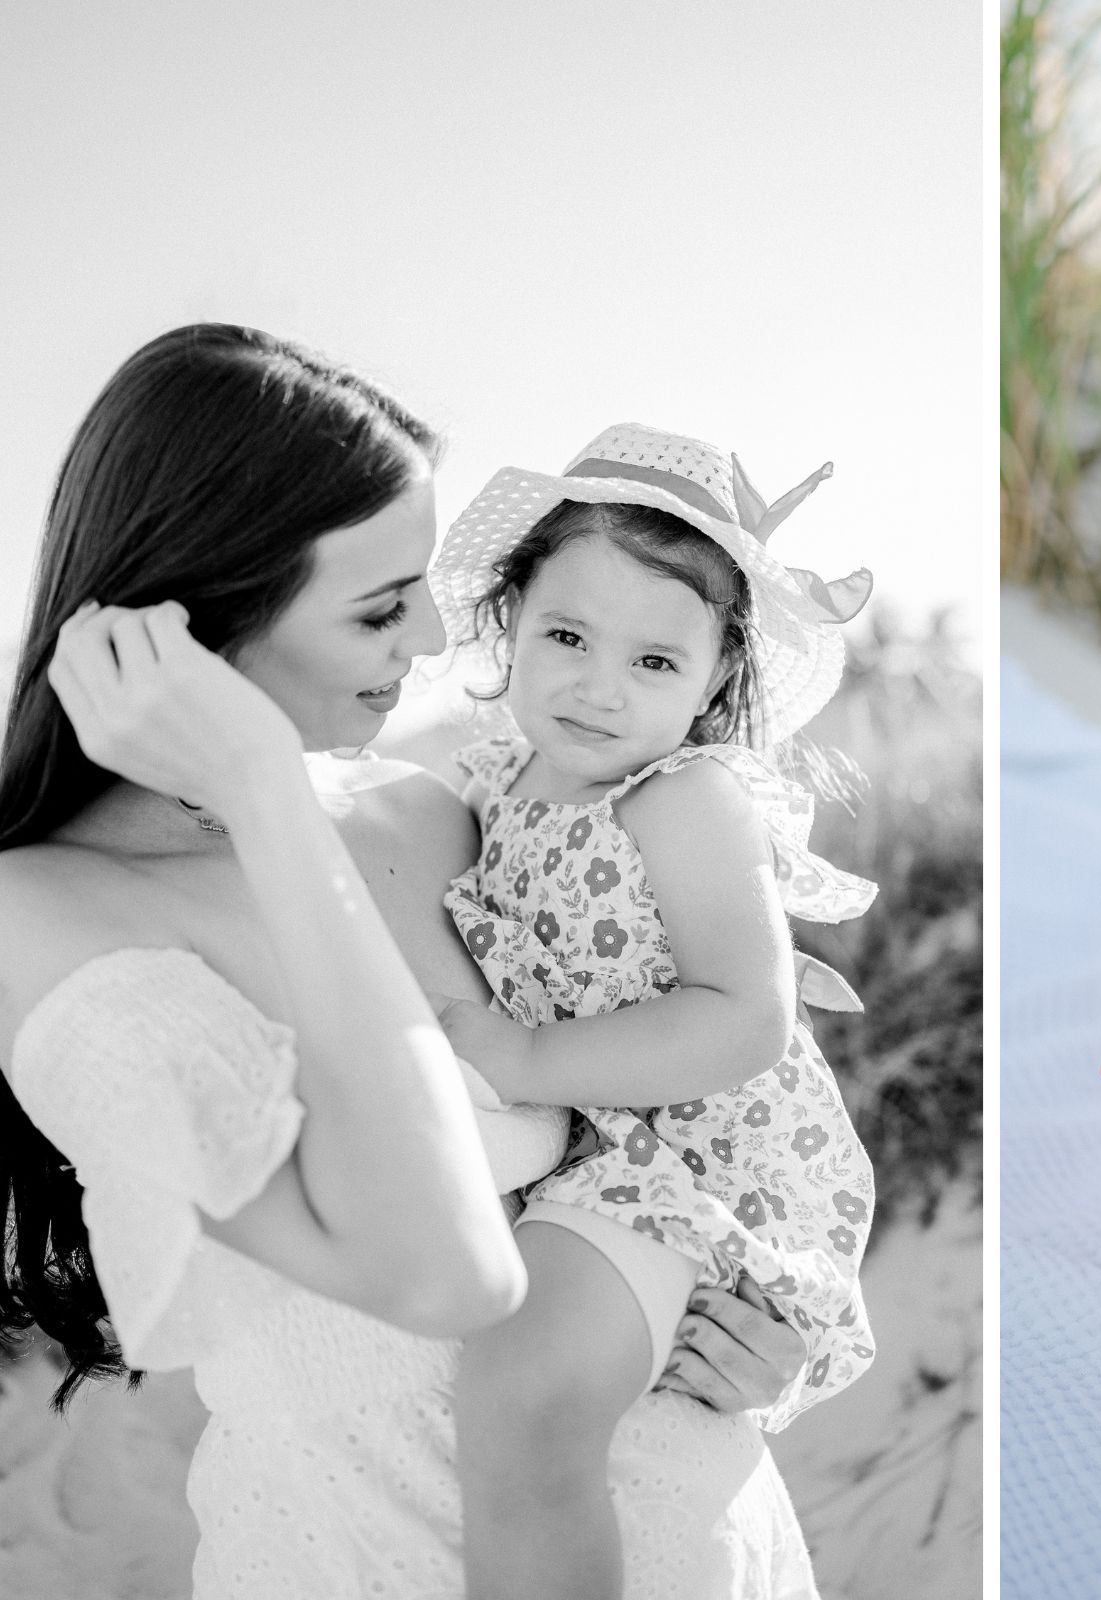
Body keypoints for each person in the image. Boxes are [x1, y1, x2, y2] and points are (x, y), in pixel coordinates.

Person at [0, 325, 818, 1597]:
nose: (437, 637)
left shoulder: (432, 815)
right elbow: (447, 1268)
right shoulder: (44, 910)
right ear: (203, 612)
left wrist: (748, 1334)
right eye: (382, 605)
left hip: (702, 1542)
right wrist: (267, 797)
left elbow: (664, 1119)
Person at [426, 425, 876, 1600]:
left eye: (654, 663)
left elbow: (742, 1016)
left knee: (522, 1388)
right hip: (587, 1141)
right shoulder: (484, 784)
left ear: (717, 679)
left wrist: (528, 1055)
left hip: (687, 1157)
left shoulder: (684, 799)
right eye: (567, 636)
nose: (597, 685)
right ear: (508, 617)